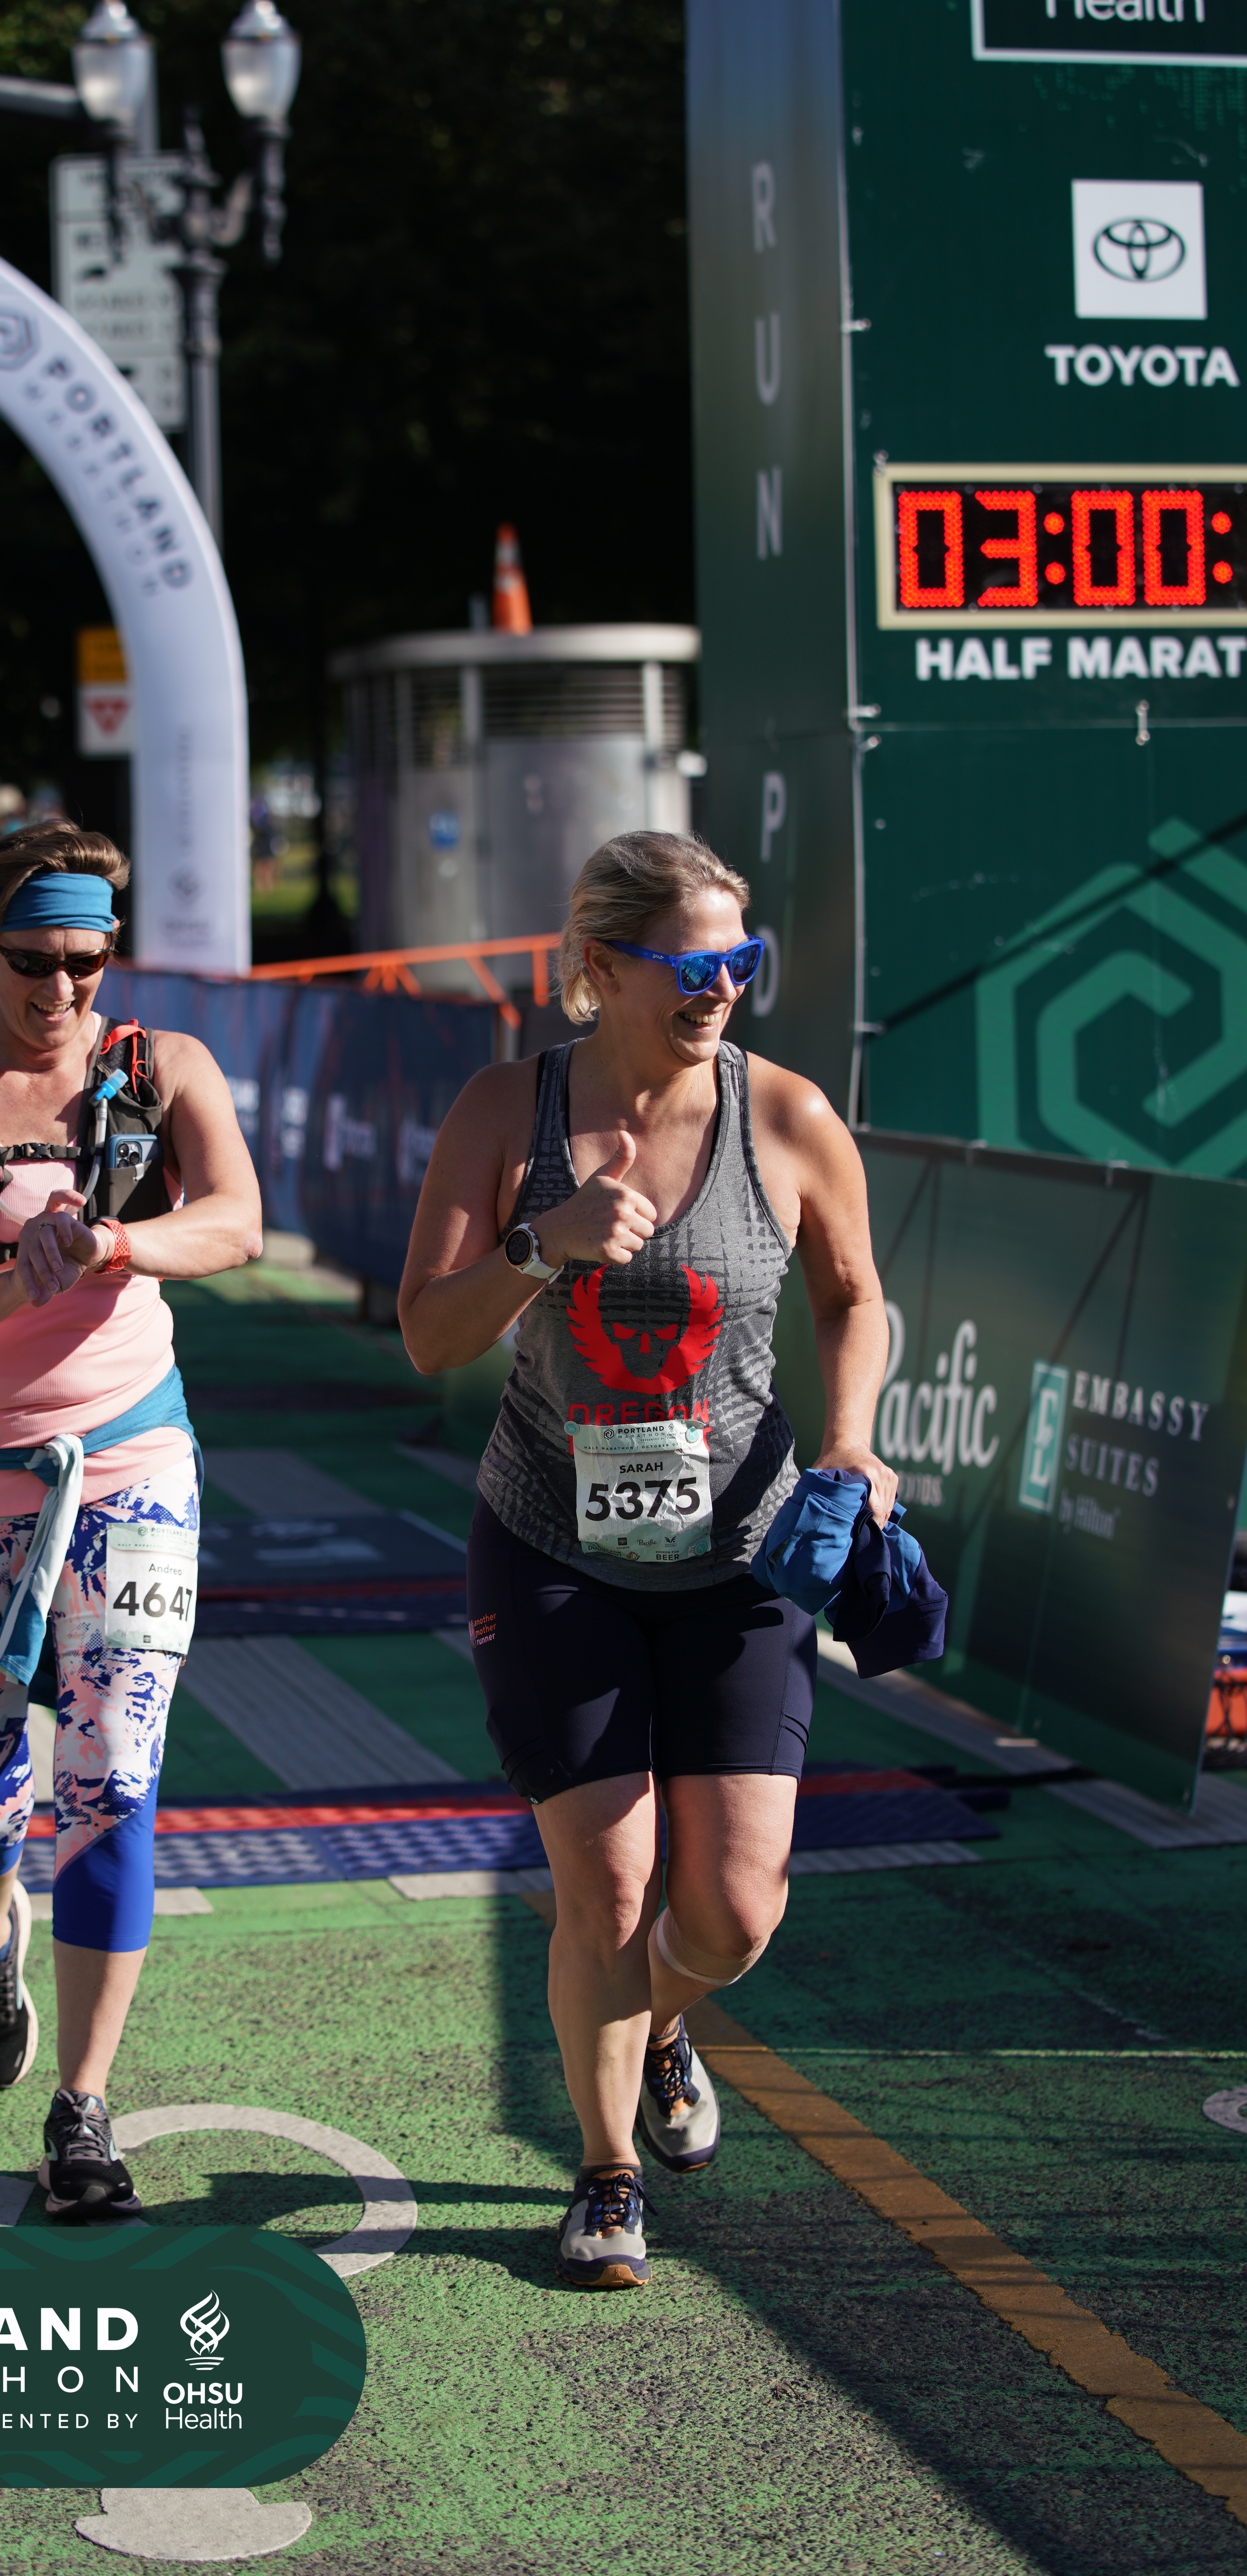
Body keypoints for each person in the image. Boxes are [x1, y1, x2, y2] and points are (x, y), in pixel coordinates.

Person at [398, 830, 897, 2291]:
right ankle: (608, 2171)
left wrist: (852, 1441)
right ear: (600, 969)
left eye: (740, 960)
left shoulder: (786, 1113)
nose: (719, 988)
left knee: (732, 1913)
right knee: (607, 1892)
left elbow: (854, 1295)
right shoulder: (507, 1111)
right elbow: (429, 1334)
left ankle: (666, 2021)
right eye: (689, 965)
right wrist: (540, 1244)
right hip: (554, 1546)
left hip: (739, 1554)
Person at [0, 821, 261, 2215]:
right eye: (33, 962)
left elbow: (238, 1221)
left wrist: (120, 1243)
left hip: (131, 1470)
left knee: (114, 1778)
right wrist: (19, 1278)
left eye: (88, 960)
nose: (62, 990)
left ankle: (82, 2110)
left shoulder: (161, 1066)